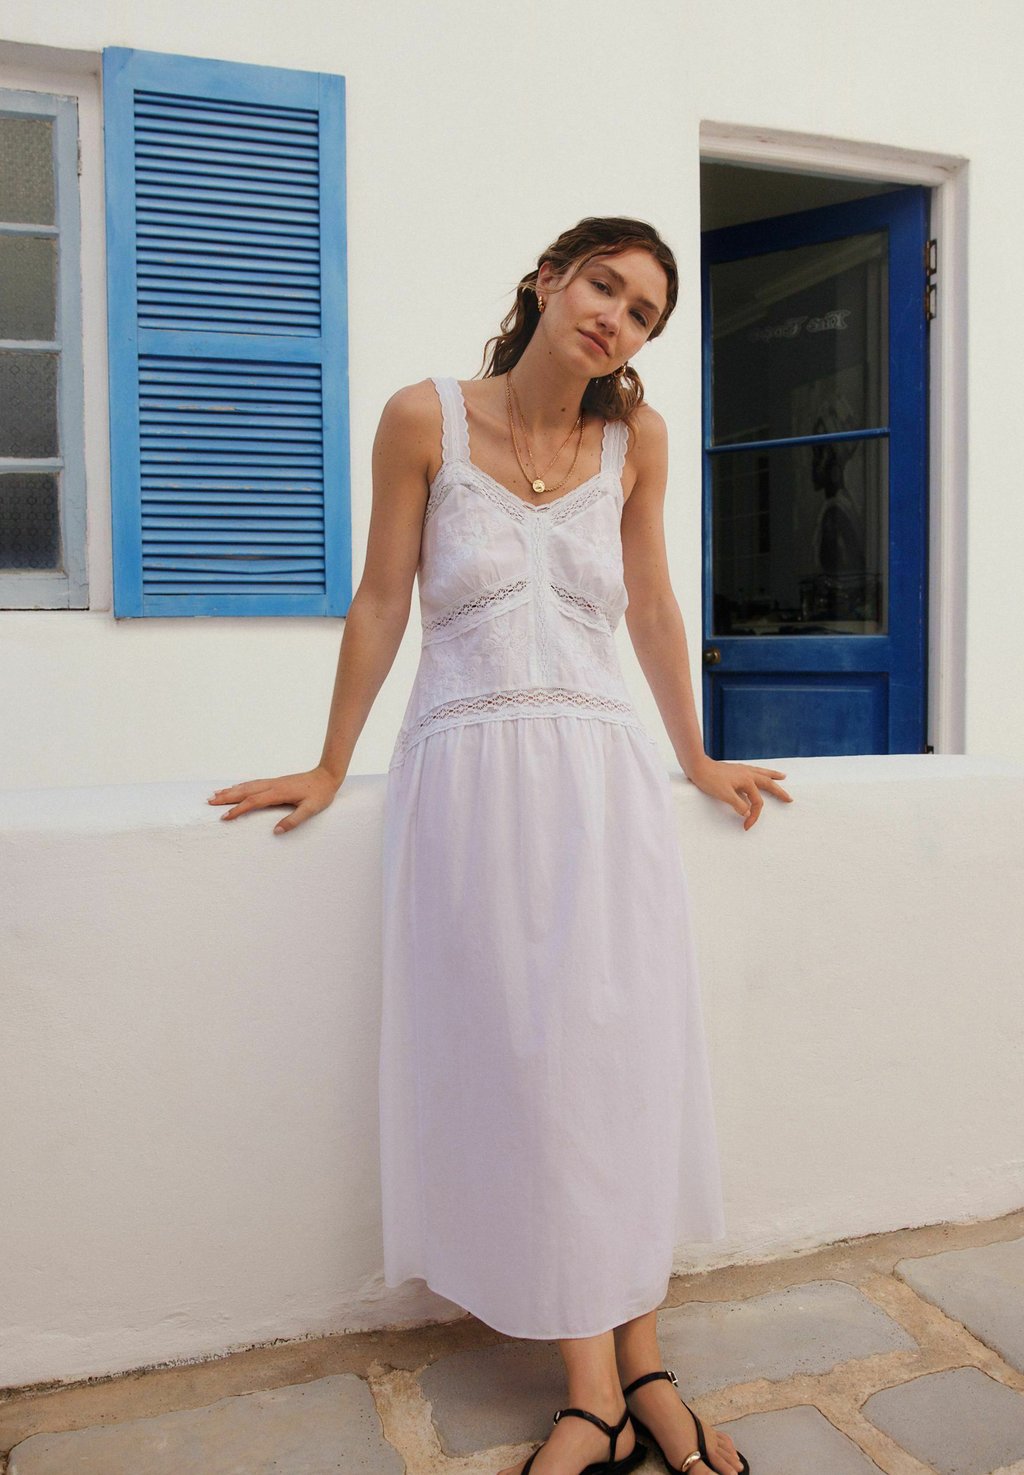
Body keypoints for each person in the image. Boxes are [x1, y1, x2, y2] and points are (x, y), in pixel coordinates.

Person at [207, 217, 792, 1475]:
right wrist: (329, 761)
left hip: (604, 784)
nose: (614, 317)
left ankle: (639, 1366)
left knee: (620, 1064)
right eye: (602, 285)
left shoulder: (636, 439)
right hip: (468, 788)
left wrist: (696, 757)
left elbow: (651, 603)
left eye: (641, 311)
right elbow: (382, 598)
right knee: (535, 1075)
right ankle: (600, 1385)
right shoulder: (422, 418)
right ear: (548, 279)